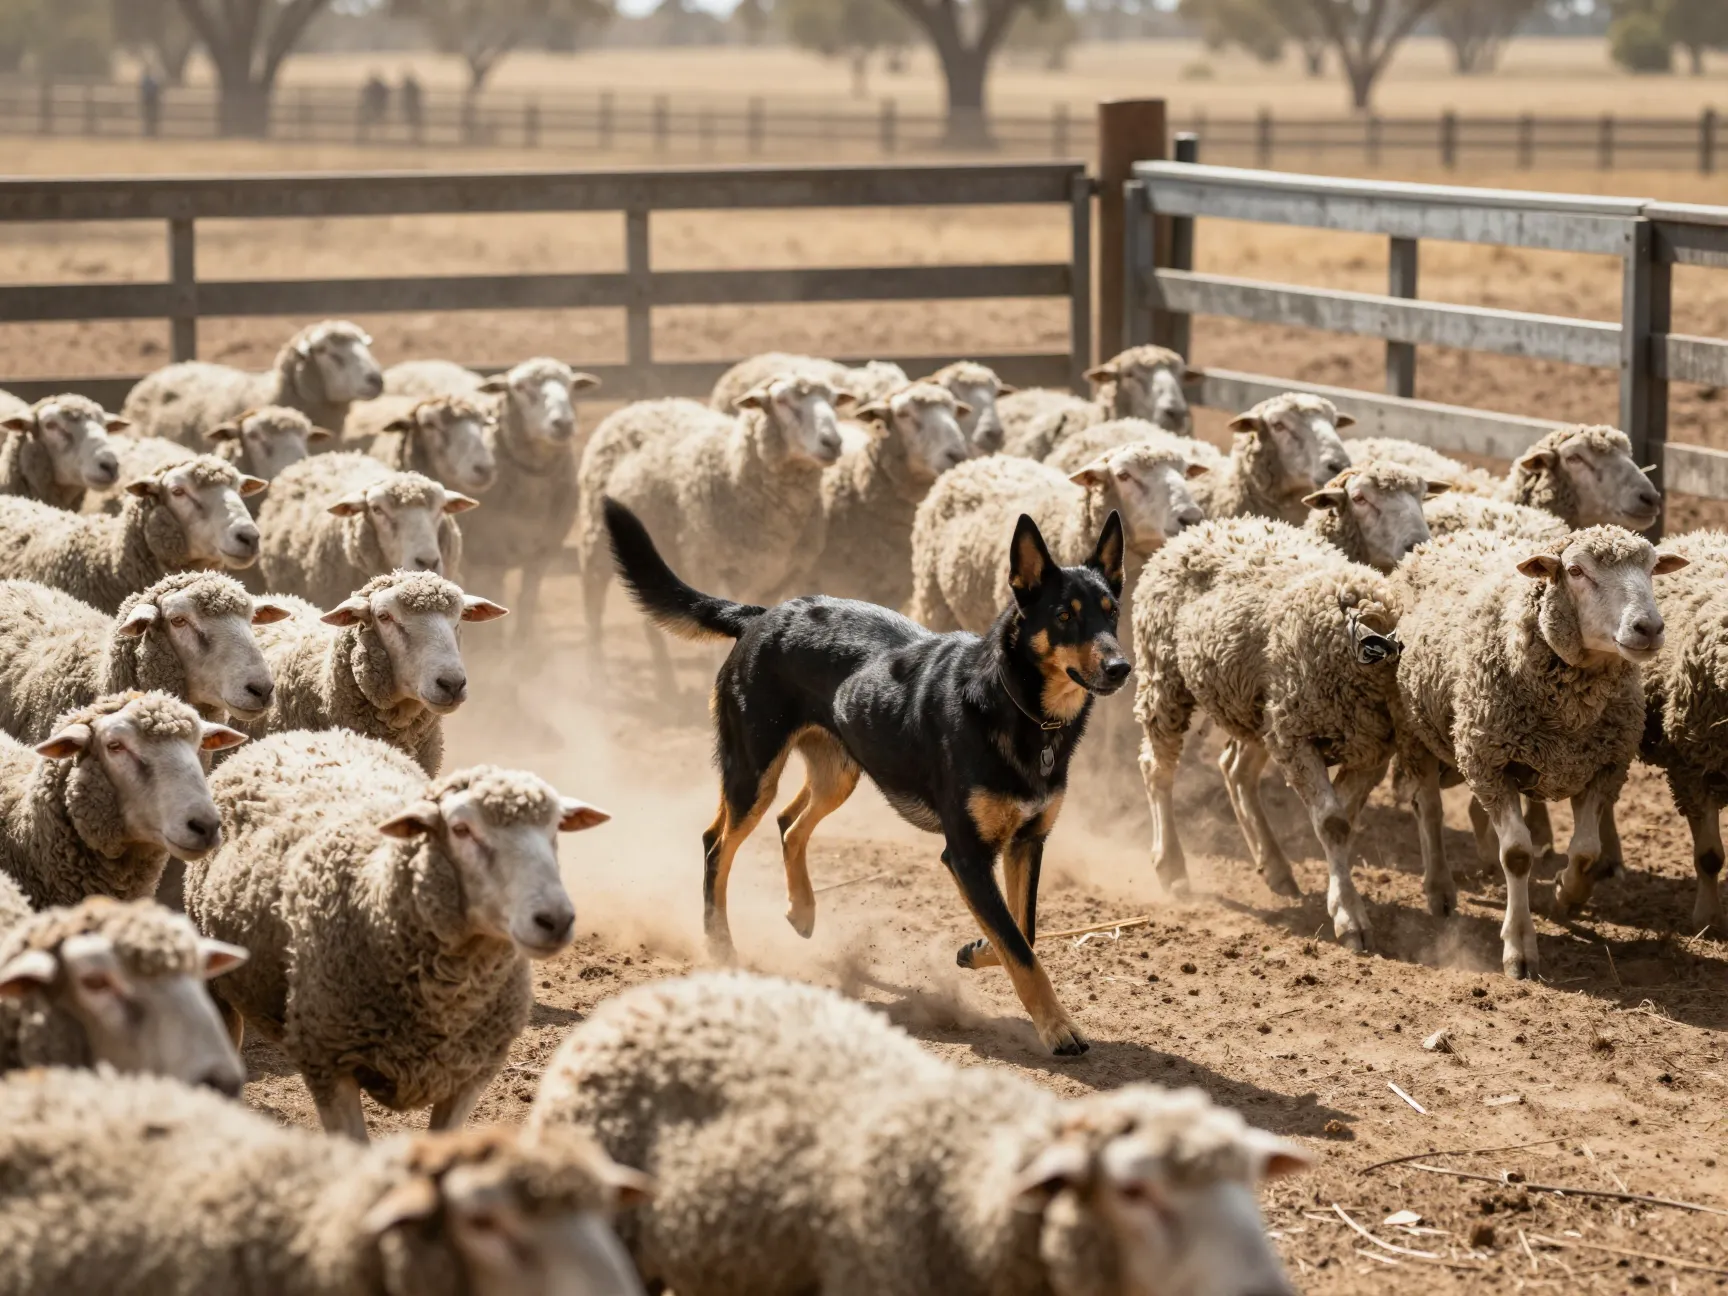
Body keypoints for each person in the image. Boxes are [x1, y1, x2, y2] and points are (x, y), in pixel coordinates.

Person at [400, 71, 424, 145]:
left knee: (414, 124)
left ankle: (414, 139)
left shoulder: (410, 87)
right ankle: (413, 139)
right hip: (412, 107)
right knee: (413, 124)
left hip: (412, 108)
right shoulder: (412, 87)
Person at [140, 69, 162, 139]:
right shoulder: (147, 80)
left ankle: (152, 133)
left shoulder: (154, 80)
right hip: (148, 101)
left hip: (153, 101)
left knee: (153, 118)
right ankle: (148, 133)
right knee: (147, 118)